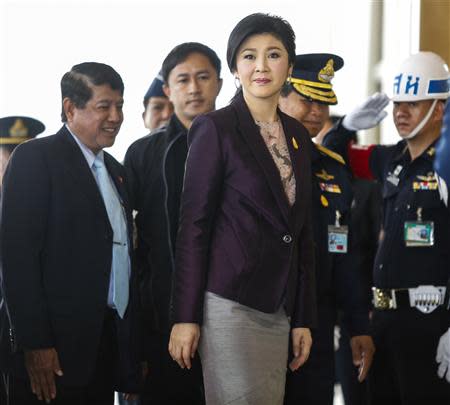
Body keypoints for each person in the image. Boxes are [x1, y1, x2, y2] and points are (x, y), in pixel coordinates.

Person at [168, 13, 317, 405]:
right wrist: (185, 316)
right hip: (230, 305)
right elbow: (193, 227)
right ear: (235, 67)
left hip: (280, 306)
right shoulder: (215, 128)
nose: (262, 66)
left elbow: (302, 234)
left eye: (274, 55)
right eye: (249, 56)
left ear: (289, 66)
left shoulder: (299, 135)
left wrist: (303, 317)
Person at [0, 62, 142, 405]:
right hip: (53, 353)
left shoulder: (116, 172)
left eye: (120, 105)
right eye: (103, 106)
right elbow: (18, 257)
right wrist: (35, 343)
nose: (116, 116)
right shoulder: (36, 157)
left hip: (102, 346)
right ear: (70, 108)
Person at [323, 51, 450, 404]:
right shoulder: (390, 159)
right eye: (397, 103)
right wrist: (345, 127)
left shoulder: (446, 165)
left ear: (439, 108)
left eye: (413, 103)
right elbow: (332, 159)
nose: (400, 113)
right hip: (383, 321)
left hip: (432, 322)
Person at [124, 42, 223, 405]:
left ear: (219, 83)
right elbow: (129, 246)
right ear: (167, 89)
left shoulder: (243, 145)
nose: (194, 88)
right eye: (183, 80)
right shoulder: (142, 154)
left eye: (202, 78)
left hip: (230, 315)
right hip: (161, 320)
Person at [278, 53, 375, 405]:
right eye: (307, 99)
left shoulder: (333, 170)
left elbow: (344, 253)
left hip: (318, 322)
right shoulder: (252, 160)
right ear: (279, 96)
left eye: (324, 102)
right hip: (265, 319)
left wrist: (357, 326)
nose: (316, 112)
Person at [0, 116, 45, 405]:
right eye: (9, 153)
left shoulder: (51, 207)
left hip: (37, 348)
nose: (18, 163)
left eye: (25, 154)